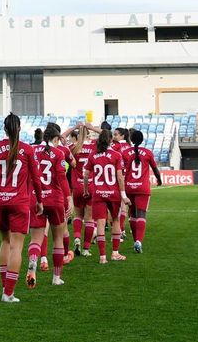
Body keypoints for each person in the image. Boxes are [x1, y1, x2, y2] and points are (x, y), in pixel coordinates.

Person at [0, 113, 43, 303]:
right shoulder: (27, 150)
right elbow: (36, 178)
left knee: (5, 242)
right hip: (20, 203)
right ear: (19, 128)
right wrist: (39, 201)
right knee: (17, 246)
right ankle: (8, 293)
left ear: (5, 129)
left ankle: (4, 287)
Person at [28, 122, 72, 286]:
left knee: (35, 239)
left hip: (37, 199)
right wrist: (69, 198)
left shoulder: (32, 151)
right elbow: (61, 177)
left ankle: (33, 262)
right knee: (58, 239)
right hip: (55, 199)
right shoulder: (58, 152)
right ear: (54, 138)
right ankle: (56, 277)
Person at [84, 125, 127, 264]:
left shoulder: (93, 155)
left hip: (98, 193)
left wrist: (85, 190)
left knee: (101, 223)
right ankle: (115, 253)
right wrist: (123, 194)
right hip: (113, 193)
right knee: (115, 220)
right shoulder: (116, 155)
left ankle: (102, 256)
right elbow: (120, 177)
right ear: (110, 141)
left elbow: (86, 175)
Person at [123, 128, 162, 254]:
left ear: (131, 139)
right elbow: (155, 169)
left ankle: (136, 240)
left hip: (129, 187)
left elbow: (121, 170)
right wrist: (159, 179)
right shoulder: (148, 152)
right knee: (141, 215)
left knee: (132, 215)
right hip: (143, 188)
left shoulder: (125, 152)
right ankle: (139, 241)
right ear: (142, 140)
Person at [68, 126, 94, 258]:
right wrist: (89, 126)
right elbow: (107, 135)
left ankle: (77, 237)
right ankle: (86, 249)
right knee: (89, 219)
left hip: (77, 186)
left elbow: (60, 137)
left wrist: (75, 127)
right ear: (89, 135)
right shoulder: (94, 147)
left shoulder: (73, 147)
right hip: (90, 186)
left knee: (78, 216)